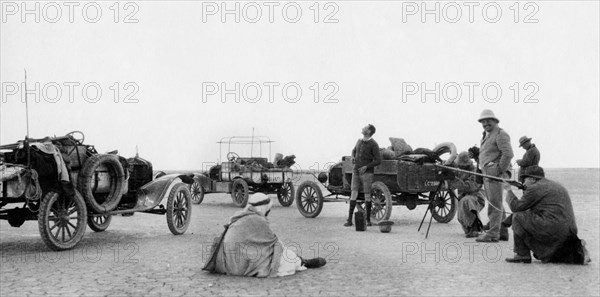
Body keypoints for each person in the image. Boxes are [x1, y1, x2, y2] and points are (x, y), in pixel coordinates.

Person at [203, 193, 326, 277]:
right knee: (283, 253)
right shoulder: (257, 220)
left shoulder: (240, 216)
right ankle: (302, 262)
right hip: (240, 264)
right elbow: (273, 242)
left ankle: (301, 260)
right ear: (263, 208)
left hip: (227, 263)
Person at [504, 166, 590, 264]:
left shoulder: (534, 188)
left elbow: (516, 208)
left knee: (518, 216)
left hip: (552, 228)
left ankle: (522, 254)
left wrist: (508, 190)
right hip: (569, 231)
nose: (524, 183)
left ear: (532, 179)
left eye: (525, 179)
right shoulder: (556, 185)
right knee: (523, 216)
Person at [476, 109, 513, 242]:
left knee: (494, 203)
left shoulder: (501, 134)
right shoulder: (487, 134)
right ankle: (502, 232)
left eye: (488, 120)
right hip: (488, 173)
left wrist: (498, 170)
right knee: (496, 202)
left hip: (494, 174)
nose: (485, 123)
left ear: (495, 121)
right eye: (483, 121)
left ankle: (492, 234)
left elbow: (508, 154)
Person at [344, 124, 382, 227]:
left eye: (365, 127)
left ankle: (368, 220)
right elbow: (353, 151)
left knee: (367, 195)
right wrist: (352, 157)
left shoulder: (374, 144)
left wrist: (366, 167)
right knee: (353, 193)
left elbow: (378, 160)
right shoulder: (359, 141)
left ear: (369, 131)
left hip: (367, 173)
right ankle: (349, 220)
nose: (362, 128)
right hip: (356, 171)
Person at [448, 152, 486, 238]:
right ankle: (471, 228)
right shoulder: (459, 170)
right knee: (464, 222)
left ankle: (475, 228)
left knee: (466, 201)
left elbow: (469, 187)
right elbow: (452, 185)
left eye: (461, 165)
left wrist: (455, 179)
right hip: (463, 197)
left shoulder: (475, 173)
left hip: (476, 197)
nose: (460, 167)